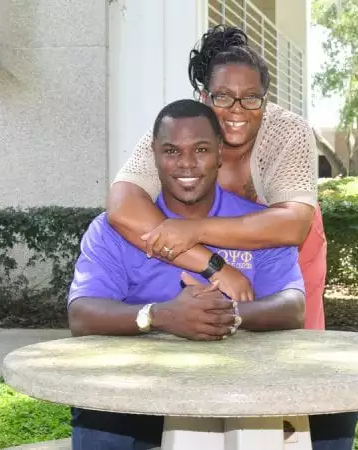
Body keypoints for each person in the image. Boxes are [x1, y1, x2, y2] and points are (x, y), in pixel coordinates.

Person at [105, 24, 358, 448]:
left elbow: (293, 224)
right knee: (214, 347)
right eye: (222, 97)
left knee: (298, 367)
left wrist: (193, 230)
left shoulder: (287, 131)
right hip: (215, 254)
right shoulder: (179, 128)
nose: (236, 110)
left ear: (265, 97)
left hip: (288, 253)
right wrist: (213, 265)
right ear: (205, 96)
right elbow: (122, 208)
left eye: (250, 98)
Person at [67, 99, 309, 449]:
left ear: (220, 154)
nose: (186, 163)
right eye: (170, 150)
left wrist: (223, 316)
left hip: (235, 390)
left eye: (200, 150)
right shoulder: (113, 228)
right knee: (99, 416)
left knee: (335, 413)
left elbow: (292, 306)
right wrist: (161, 316)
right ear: (153, 155)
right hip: (137, 390)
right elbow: (82, 314)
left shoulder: (256, 224)